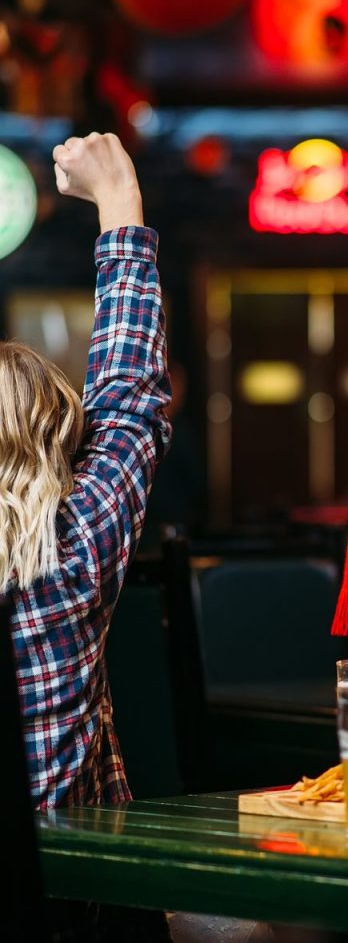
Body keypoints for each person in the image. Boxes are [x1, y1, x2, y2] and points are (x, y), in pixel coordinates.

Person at [4, 133, 171, 938]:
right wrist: (118, 200)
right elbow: (131, 395)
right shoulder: (73, 546)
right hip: (72, 902)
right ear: (57, 437)